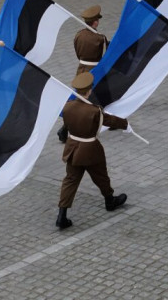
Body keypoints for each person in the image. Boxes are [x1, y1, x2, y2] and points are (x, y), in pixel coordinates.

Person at [56, 72, 129, 229]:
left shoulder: (67, 107)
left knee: (70, 180)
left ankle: (62, 215)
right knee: (101, 176)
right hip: (90, 150)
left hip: (72, 148)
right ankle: (110, 201)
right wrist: (125, 124)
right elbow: (109, 120)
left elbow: (67, 126)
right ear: (89, 91)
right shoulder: (94, 110)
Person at [57, 5, 109, 143]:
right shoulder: (100, 38)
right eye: (98, 19)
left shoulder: (78, 35)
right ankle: (106, 121)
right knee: (99, 97)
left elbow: (77, 52)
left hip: (81, 69)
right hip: (95, 71)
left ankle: (65, 128)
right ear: (95, 22)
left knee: (80, 99)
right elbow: (105, 56)